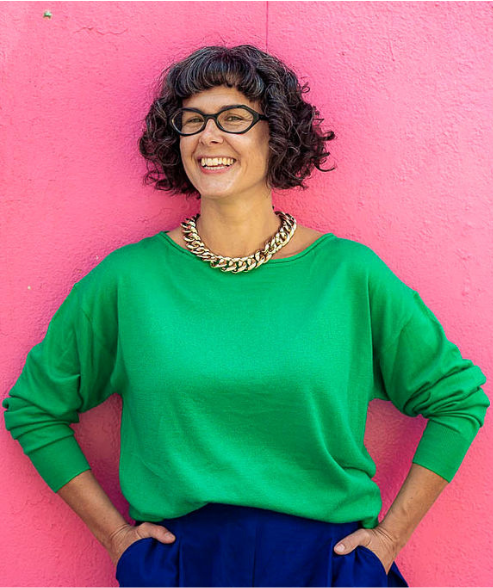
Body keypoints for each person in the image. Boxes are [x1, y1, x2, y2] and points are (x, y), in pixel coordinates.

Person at [3, 44, 489, 588]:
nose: (209, 136)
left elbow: (459, 398)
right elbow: (33, 408)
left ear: (275, 133)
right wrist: (119, 542)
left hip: (325, 567)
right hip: (184, 567)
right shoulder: (128, 281)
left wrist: (388, 541)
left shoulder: (350, 276)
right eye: (192, 121)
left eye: (234, 118)